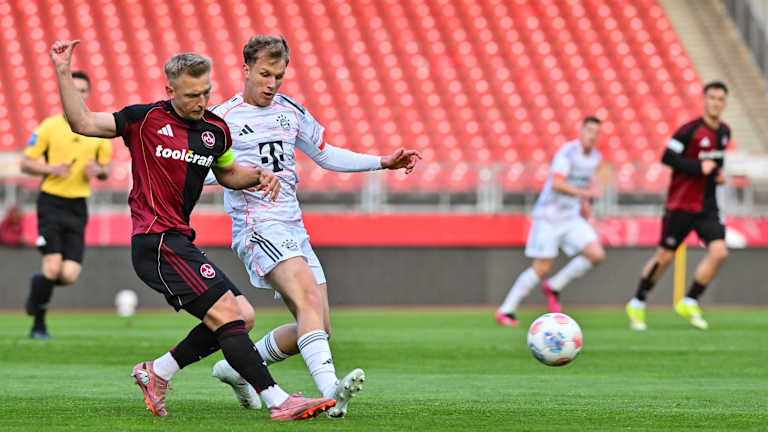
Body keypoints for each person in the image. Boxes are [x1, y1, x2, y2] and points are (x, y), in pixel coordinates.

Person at [49, 39, 334, 421]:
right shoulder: (144, 119)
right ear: (170, 90)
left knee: (244, 315)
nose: (201, 102)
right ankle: (278, 399)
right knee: (228, 316)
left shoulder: (215, 130)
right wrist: (64, 71)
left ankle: (158, 371)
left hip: (180, 240)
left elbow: (228, 173)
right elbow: (82, 122)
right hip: (155, 241)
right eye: (192, 95)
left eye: (206, 93)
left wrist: (258, 174)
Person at [147, 35, 419, 418]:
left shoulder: (289, 110)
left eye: (279, 75)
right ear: (245, 70)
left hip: (294, 228)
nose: (272, 84)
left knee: (317, 327)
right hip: (258, 227)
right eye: (264, 74)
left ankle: (234, 367)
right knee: (307, 298)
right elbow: (204, 172)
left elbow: (325, 154)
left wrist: (382, 162)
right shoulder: (222, 119)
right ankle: (331, 394)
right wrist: (234, 178)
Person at [626, 81, 730, 331]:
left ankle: (690, 299)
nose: (715, 102)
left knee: (719, 252)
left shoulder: (724, 132)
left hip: (707, 205)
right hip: (681, 204)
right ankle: (638, 301)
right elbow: (667, 157)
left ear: (724, 103)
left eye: (720, 99)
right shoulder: (688, 130)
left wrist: (717, 174)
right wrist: (697, 168)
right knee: (665, 257)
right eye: (712, 97)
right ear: (704, 100)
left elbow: (714, 162)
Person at [21, 71, 112, 339]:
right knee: (52, 265)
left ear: (89, 93)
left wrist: (99, 170)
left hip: (78, 206)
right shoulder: (49, 127)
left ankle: (38, 287)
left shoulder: (97, 128)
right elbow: (27, 162)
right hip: (51, 202)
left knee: (69, 274)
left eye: (84, 90)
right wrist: (50, 168)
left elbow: (106, 169)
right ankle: (39, 325)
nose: (79, 94)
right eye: (75, 89)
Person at [496, 117, 605, 326]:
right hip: (549, 216)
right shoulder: (567, 153)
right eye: (589, 130)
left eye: (596, 132)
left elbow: (583, 184)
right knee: (541, 267)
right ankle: (506, 310)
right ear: (581, 131)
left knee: (596, 254)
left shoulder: (595, 158)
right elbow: (557, 183)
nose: (592, 135)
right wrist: (585, 192)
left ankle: (554, 286)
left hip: (571, 217)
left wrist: (585, 205)